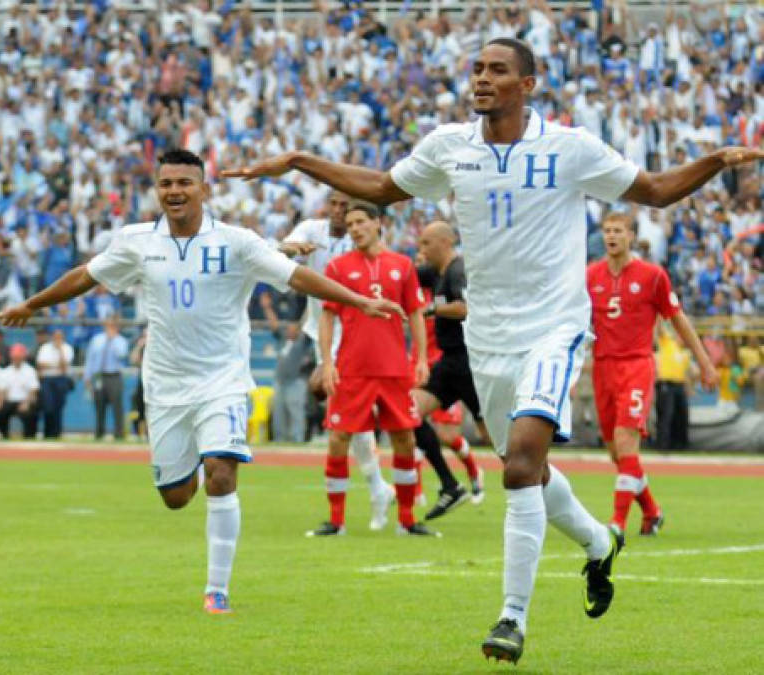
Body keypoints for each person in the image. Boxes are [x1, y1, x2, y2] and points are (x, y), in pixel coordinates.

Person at [223, 38, 764, 664]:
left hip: (554, 327)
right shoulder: (451, 147)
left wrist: (717, 161)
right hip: (489, 335)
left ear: (527, 85)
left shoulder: (569, 147)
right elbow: (379, 184)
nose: (481, 78)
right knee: (525, 467)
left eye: (496, 70)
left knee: (518, 467)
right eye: (477, 68)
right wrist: (298, 160)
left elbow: (658, 189)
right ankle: (597, 543)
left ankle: (511, 618)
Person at [0, 149, 401, 615]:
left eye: (185, 183)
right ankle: (186, 465)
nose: (175, 191)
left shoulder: (237, 242)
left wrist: (358, 301)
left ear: (204, 190)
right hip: (166, 386)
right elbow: (86, 276)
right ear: (157, 190)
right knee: (175, 497)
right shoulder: (136, 241)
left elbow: (297, 277)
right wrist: (33, 304)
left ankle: (217, 590)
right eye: (166, 183)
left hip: (222, 380)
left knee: (222, 473)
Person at [307, 202, 435, 537]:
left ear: (378, 223)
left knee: (404, 439)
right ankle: (336, 521)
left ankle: (407, 521)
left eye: (361, 221)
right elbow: (327, 316)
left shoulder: (403, 266)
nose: (354, 228)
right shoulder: (337, 267)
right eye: (350, 224)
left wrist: (420, 359)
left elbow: (416, 313)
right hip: (352, 369)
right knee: (338, 439)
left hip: (394, 369)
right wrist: (328, 362)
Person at [587, 212, 716, 537]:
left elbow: (677, 318)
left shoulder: (652, 276)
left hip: (636, 366)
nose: (611, 236)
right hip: (602, 367)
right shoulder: (590, 276)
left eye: (618, 231)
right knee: (617, 453)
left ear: (631, 235)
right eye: (607, 231)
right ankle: (652, 512)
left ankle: (616, 524)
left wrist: (704, 361)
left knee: (625, 440)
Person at [279, 191, 396, 530]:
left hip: (353, 336)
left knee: (343, 414)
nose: (339, 211)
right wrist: (291, 249)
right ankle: (378, 488)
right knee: (349, 419)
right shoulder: (313, 230)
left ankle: (372, 494)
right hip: (322, 333)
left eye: (347, 206)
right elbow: (286, 245)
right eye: (335, 204)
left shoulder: (359, 242)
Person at [413, 221, 489, 520]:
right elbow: (405, 275)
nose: (422, 250)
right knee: (409, 411)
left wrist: (431, 309)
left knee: (495, 438)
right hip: (448, 363)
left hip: (471, 363)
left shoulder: (458, 270)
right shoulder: (434, 273)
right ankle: (449, 484)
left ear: (445, 242)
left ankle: (537, 488)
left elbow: (465, 307)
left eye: (426, 244)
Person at [83, 317, 129, 440]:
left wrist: (112, 340)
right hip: (99, 376)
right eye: (108, 325)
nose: (110, 327)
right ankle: (99, 433)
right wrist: (87, 377)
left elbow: (122, 355)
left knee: (117, 406)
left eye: (113, 325)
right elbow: (90, 359)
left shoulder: (121, 341)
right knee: (99, 406)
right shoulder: (97, 340)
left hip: (114, 375)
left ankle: (119, 434)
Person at [271, 322, 314, 444]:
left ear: (298, 332)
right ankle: (279, 439)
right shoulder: (283, 340)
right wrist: (267, 307)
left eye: (293, 329)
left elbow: (309, 330)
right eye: (288, 329)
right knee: (278, 411)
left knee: (296, 412)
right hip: (280, 381)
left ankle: (298, 439)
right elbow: (274, 326)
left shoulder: (302, 343)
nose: (289, 331)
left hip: (296, 382)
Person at [655, 328, 693, 449]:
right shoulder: (668, 343)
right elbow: (660, 330)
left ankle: (681, 444)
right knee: (667, 414)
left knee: (682, 415)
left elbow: (685, 373)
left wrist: (688, 387)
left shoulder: (685, 353)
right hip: (666, 384)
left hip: (679, 385)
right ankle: (663, 444)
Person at [35, 329, 74, 439]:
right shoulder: (45, 348)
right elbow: (40, 364)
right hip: (47, 379)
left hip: (61, 379)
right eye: (55, 337)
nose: (57, 339)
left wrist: (60, 350)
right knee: (48, 406)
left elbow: (64, 366)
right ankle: (47, 433)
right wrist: (56, 366)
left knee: (59, 406)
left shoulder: (67, 348)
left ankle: (57, 433)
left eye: (59, 337)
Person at [0, 343, 39, 438]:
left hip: (25, 400)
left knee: (30, 412)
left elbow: (33, 390)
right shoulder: (6, 372)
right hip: (10, 401)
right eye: (15, 357)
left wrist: (26, 403)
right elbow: (3, 390)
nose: (16, 359)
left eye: (19, 357)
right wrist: (0, 401)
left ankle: (29, 436)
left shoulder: (30, 371)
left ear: (23, 357)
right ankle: (4, 435)